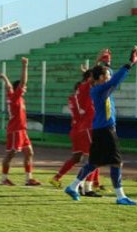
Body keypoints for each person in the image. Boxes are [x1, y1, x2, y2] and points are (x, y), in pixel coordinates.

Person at [64, 46, 137, 206]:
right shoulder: (100, 89)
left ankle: (72, 187)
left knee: (93, 163)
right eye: (106, 75)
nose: (109, 76)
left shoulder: (98, 87)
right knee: (116, 162)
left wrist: (106, 60)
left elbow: (110, 75)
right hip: (105, 130)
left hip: (100, 129)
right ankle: (120, 197)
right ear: (99, 79)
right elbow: (115, 79)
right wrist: (129, 64)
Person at [49, 69, 102, 197]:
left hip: (76, 129)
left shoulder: (73, 97)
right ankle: (87, 187)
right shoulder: (85, 91)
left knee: (78, 157)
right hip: (85, 127)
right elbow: (91, 81)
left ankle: (59, 178)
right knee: (93, 157)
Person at [0, 57, 41, 186]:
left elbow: (9, 86)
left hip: (22, 130)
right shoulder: (16, 97)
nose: (25, 88)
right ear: (18, 89)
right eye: (23, 88)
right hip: (15, 130)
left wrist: (4, 78)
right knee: (10, 154)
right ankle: (3, 179)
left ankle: (29, 179)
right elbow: (23, 82)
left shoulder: (15, 97)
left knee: (29, 152)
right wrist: (25, 66)